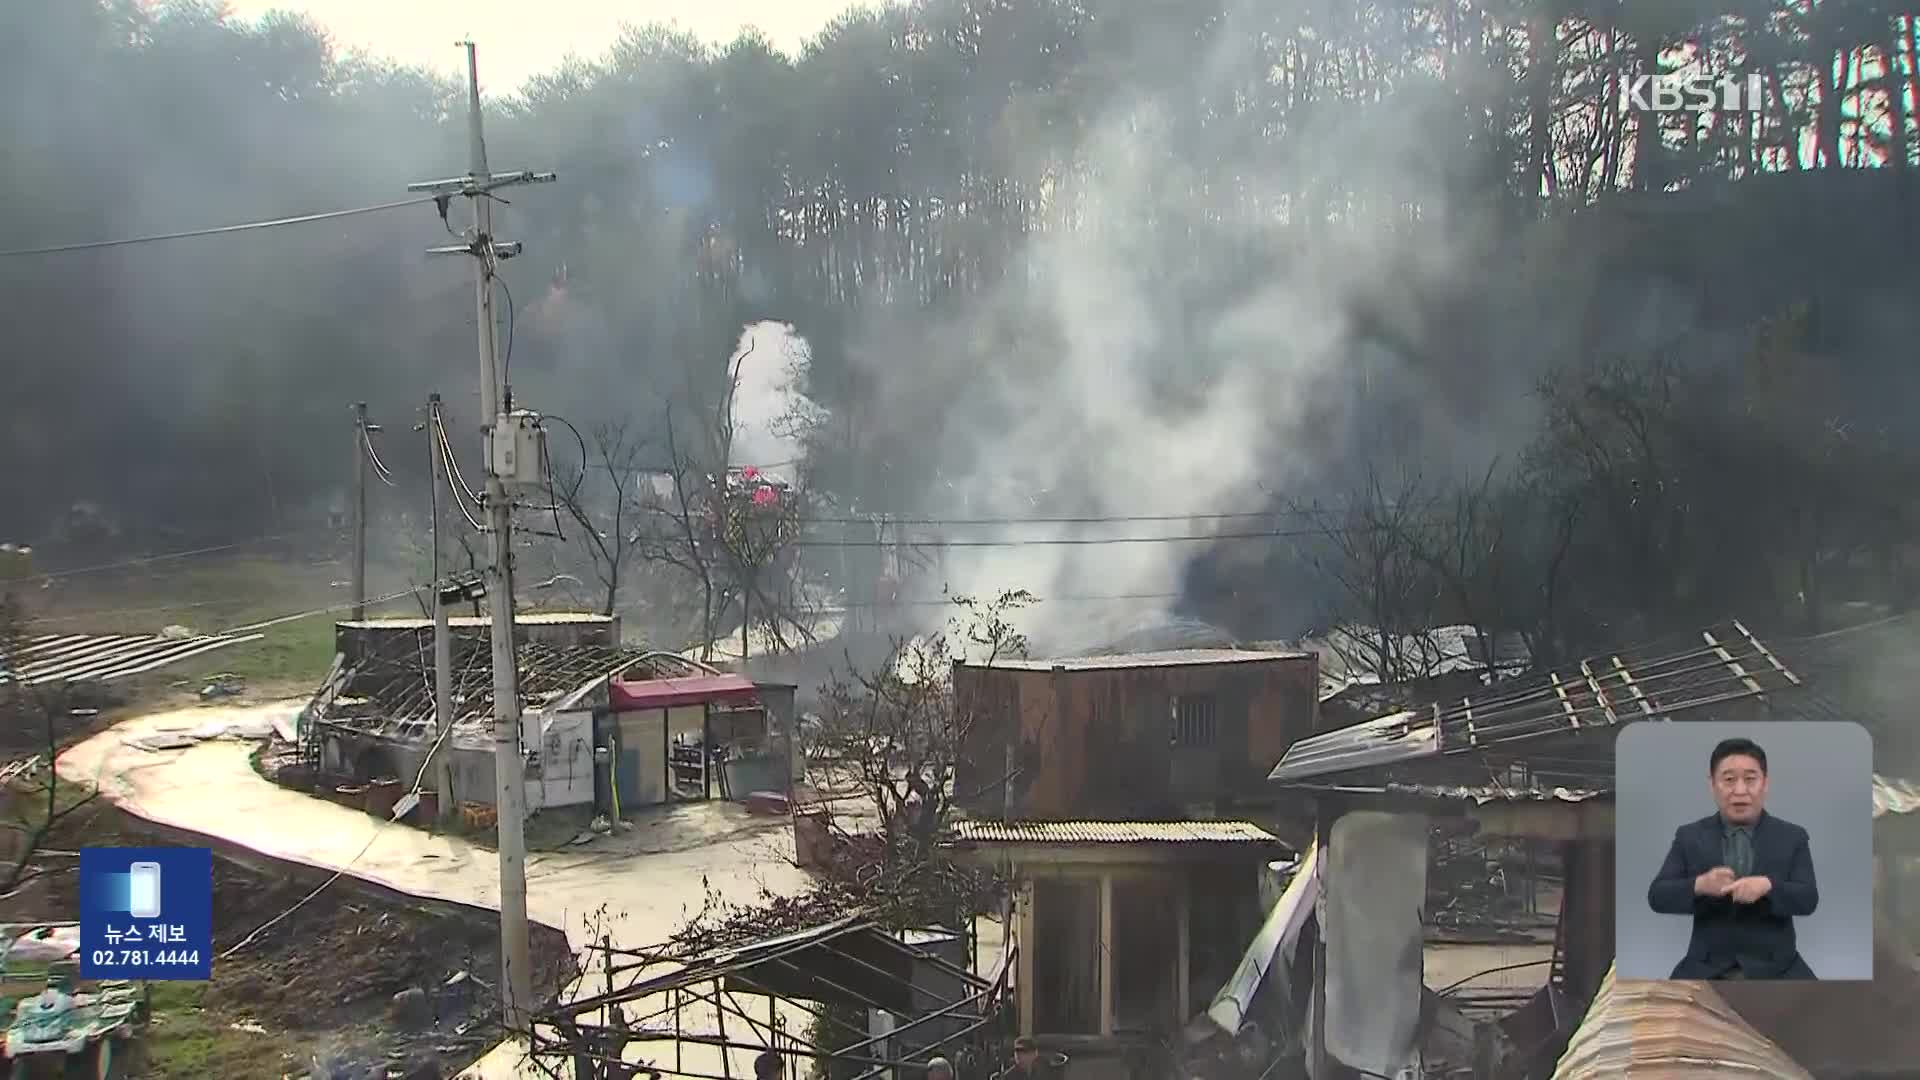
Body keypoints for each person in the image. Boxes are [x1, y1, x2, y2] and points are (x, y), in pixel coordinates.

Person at [1646, 736, 1820, 979]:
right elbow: (1657, 896)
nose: (1740, 791)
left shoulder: (1792, 836)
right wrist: (1700, 885)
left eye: (1750, 780)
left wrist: (1769, 886)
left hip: (1778, 966)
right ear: (1712, 784)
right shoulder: (1690, 836)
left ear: (1765, 783)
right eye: (1729, 780)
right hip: (1706, 966)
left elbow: (1808, 899)